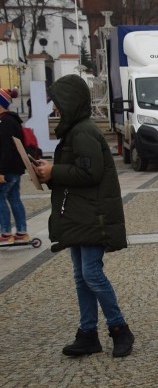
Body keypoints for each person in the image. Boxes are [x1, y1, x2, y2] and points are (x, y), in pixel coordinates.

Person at [33, 75, 134, 358]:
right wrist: (50, 172)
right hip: (80, 215)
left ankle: (120, 329)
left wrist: (55, 172)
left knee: (91, 274)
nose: (55, 109)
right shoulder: (74, 130)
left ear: (71, 104)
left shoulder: (83, 132)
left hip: (93, 216)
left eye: (58, 104)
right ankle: (88, 333)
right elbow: (75, 173)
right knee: (81, 277)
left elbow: (90, 173)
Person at [0, 87, 29, 244]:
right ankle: (21, 231)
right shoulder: (13, 120)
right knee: (14, 198)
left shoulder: (4, 122)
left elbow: (6, 149)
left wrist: (1, 172)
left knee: (0, 198)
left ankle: (5, 233)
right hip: (16, 168)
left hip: (8, 170)